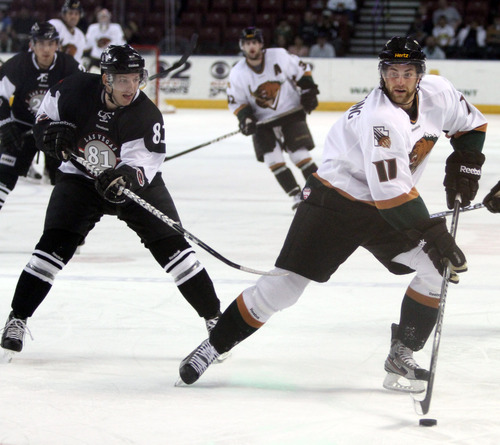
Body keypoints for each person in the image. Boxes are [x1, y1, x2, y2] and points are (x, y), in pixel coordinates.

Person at [177, 37, 487, 391]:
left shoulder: (440, 93)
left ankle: (401, 356)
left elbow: (471, 126)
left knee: (436, 269)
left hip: (389, 208)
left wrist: (466, 164)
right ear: (381, 74)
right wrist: (436, 234)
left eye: (408, 73)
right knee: (285, 289)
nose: (399, 81)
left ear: (421, 74)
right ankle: (213, 346)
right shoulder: (380, 120)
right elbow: (392, 192)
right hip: (336, 203)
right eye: (392, 72)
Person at [0, 44, 223, 357]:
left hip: (134, 189)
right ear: (106, 79)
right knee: (50, 250)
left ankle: (216, 321)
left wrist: (125, 178)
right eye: (122, 80)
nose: (130, 87)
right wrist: (48, 134)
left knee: (178, 254)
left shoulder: (146, 115)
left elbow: (143, 166)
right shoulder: (74, 88)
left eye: (135, 79)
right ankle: (18, 318)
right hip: (80, 181)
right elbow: (42, 118)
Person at [226, 27, 320, 211]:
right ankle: (296, 196)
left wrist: (308, 90)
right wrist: (245, 119)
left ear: (261, 44)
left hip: (290, 114)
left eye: (254, 42)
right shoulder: (237, 72)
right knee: (272, 160)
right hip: (262, 123)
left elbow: (302, 70)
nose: (251, 47)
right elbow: (237, 101)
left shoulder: (279, 56)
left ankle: (318, 193)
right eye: (247, 43)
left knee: (300, 156)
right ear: (242, 46)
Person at [0, 22, 83, 211]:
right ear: (32, 45)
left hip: (55, 131)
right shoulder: (18, 64)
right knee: (3, 174)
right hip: (20, 127)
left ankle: (66, 229)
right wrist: (4, 124)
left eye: (50, 43)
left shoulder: (70, 66)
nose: (46, 49)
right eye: (40, 43)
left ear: (57, 45)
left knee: (69, 181)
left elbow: (85, 98)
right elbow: (0, 95)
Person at [84, 8, 126, 73]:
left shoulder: (116, 28)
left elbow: (122, 44)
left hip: (111, 60)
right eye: (102, 16)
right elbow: (87, 45)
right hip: (95, 59)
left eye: (105, 16)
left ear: (109, 17)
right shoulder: (92, 28)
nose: (104, 18)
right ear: (98, 18)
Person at [49, 0, 86, 65]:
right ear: (64, 15)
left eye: (76, 14)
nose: (73, 17)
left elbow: (77, 60)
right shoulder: (55, 25)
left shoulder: (80, 36)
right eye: (70, 13)